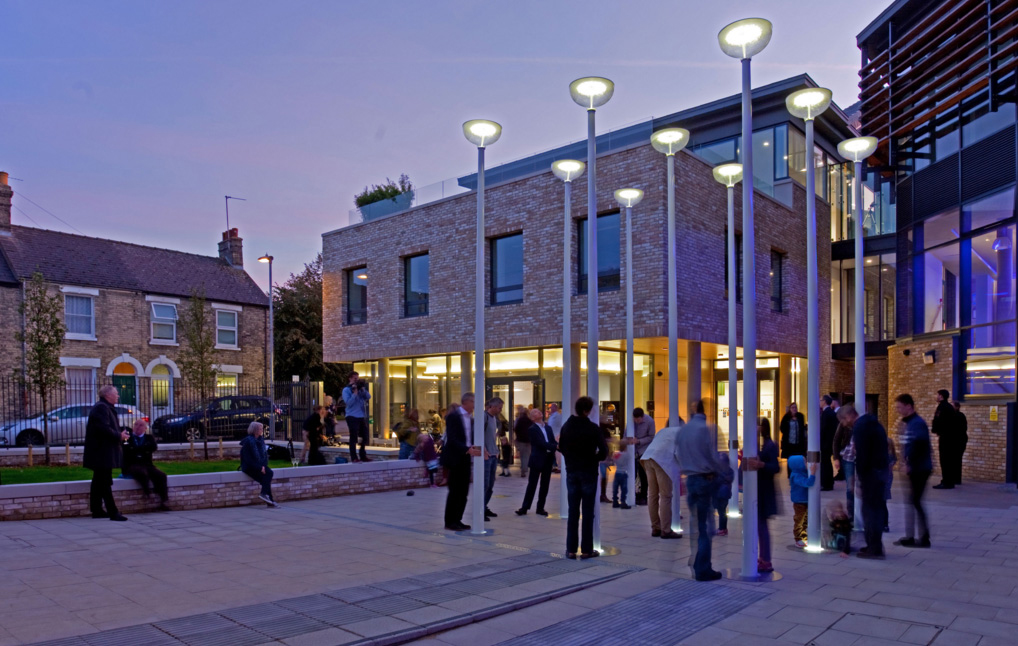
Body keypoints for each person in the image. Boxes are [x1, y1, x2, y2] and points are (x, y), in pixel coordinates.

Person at [677, 401, 727, 581]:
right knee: (706, 527)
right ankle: (703, 567)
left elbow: (677, 453)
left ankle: (699, 561)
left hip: (690, 479)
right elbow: (712, 456)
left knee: (697, 525)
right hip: (703, 479)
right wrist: (720, 471)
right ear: (705, 412)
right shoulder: (704, 429)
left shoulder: (684, 430)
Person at [558, 396, 609, 559]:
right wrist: (593, 458)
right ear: (587, 410)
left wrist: (572, 459)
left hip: (572, 471)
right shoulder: (593, 428)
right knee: (588, 511)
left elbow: (562, 448)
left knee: (573, 511)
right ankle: (587, 549)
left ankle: (571, 549)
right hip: (588, 472)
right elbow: (603, 451)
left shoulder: (567, 426)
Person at [84, 385, 130, 521]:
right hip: (102, 452)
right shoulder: (101, 408)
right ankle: (113, 512)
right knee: (104, 481)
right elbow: (103, 428)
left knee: (98, 481)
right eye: (116, 393)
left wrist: (119, 433)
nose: (118, 396)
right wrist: (119, 436)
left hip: (102, 452)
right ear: (107, 395)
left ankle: (97, 509)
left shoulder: (104, 407)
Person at [894, 394, 932, 548]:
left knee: (915, 501)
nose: (898, 410)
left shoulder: (917, 423)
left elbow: (920, 444)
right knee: (911, 501)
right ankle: (910, 536)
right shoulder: (906, 423)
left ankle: (924, 538)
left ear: (909, 406)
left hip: (920, 469)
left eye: (899, 407)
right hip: (912, 468)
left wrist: (909, 463)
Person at [744, 417, 781, 574]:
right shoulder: (760, 445)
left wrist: (761, 465)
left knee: (762, 525)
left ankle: (766, 559)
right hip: (759, 489)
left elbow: (776, 467)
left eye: (758, 425)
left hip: (765, 491)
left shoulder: (770, 446)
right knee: (759, 525)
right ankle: (763, 557)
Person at [442, 393, 482, 531]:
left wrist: (478, 450)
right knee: (454, 491)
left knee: (464, 491)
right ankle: (450, 521)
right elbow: (452, 439)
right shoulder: (454, 417)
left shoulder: (471, 418)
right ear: (466, 402)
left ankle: (458, 519)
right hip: (455, 458)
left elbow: (470, 438)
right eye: (474, 402)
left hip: (466, 457)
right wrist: (467, 449)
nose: (475, 406)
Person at [640, 420, 682, 539]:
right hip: (661, 461)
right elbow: (679, 454)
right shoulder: (681, 433)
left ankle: (656, 528)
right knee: (666, 496)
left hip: (647, 458)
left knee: (652, 495)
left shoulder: (663, 431)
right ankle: (666, 530)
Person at [516, 408, 557, 516]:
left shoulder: (548, 428)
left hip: (548, 459)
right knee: (532, 484)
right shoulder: (532, 429)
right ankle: (524, 507)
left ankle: (540, 508)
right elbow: (540, 443)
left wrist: (555, 446)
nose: (539, 412)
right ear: (533, 418)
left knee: (545, 485)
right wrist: (555, 446)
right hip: (537, 459)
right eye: (535, 412)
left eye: (539, 411)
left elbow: (552, 440)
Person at [122, 419, 169, 512]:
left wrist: (137, 449)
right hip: (132, 464)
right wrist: (142, 450)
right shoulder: (127, 438)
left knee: (161, 475)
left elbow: (153, 447)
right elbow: (126, 450)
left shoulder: (149, 438)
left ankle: (164, 500)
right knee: (142, 473)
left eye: (140, 425)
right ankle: (146, 493)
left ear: (145, 428)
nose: (138, 427)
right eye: (136, 424)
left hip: (146, 464)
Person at [240, 421, 276, 507]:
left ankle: (267, 497)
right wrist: (260, 468)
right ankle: (269, 500)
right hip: (250, 467)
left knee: (269, 474)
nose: (261, 430)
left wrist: (263, 466)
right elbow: (248, 460)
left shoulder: (260, 440)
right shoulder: (248, 442)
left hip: (260, 465)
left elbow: (264, 456)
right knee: (266, 478)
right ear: (255, 430)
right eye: (260, 429)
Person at [342, 372, 372, 462]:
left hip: (361, 416)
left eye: (357, 378)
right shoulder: (346, 390)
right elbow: (348, 403)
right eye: (355, 379)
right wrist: (354, 393)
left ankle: (363, 455)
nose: (356, 380)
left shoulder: (360, 389)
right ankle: (354, 457)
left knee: (365, 436)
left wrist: (362, 389)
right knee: (353, 437)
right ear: (350, 379)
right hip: (351, 416)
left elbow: (368, 397)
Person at [932, 389, 959, 489]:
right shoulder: (949, 407)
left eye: (938, 395)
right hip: (949, 437)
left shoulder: (943, 407)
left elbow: (940, 421)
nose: (937, 396)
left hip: (945, 437)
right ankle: (949, 481)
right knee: (948, 460)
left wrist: (936, 429)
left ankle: (946, 482)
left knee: (945, 460)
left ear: (941, 396)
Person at [788, 455, 817, 548]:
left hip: (804, 500)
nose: (807, 464)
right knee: (799, 520)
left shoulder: (802, 473)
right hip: (799, 501)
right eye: (805, 462)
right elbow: (808, 483)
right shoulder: (796, 476)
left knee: (805, 520)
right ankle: (798, 538)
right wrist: (812, 474)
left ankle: (803, 537)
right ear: (798, 465)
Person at [483, 398, 504, 520]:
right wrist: (484, 450)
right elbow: (478, 434)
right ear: (493, 406)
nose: (500, 410)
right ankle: (481, 508)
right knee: (485, 484)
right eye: (499, 408)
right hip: (486, 455)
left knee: (490, 485)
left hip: (493, 454)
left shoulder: (495, 419)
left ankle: (485, 506)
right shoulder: (484, 417)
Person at [833, 417, 855, 521]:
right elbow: (836, 440)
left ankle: (858, 512)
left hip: (860, 459)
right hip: (847, 458)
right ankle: (851, 513)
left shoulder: (863, 423)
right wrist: (836, 457)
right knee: (850, 487)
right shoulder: (844, 424)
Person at [632, 408, 655, 505]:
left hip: (644, 451)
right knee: (632, 474)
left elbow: (651, 437)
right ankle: (633, 495)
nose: (637, 422)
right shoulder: (631, 421)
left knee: (643, 475)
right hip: (633, 451)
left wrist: (639, 441)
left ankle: (643, 496)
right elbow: (626, 433)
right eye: (635, 419)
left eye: (638, 420)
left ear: (642, 417)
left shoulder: (649, 421)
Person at [779, 403, 807, 473]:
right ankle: (790, 475)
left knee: (798, 459)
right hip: (789, 443)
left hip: (798, 443)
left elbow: (802, 428)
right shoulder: (786, 417)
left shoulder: (800, 416)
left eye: (795, 408)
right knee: (790, 459)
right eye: (793, 408)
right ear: (790, 409)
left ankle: (798, 474)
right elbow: (782, 428)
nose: (794, 409)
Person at [819, 395, 839, 490]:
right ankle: (829, 482)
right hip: (829, 442)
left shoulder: (826, 413)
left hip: (825, 443)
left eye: (821, 400)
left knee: (825, 463)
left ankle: (826, 483)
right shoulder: (831, 413)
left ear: (825, 402)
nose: (820, 402)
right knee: (827, 462)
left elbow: (823, 429)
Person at [714, 452, 734, 537]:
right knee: (722, 512)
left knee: (721, 512)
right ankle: (723, 528)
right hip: (725, 494)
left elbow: (716, 481)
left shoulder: (718, 472)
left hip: (720, 494)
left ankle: (722, 529)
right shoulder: (730, 471)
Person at [951, 400, 968, 485]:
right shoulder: (958, 416)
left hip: (959, 441)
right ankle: (956, 478)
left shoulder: (959, 416)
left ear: (957, 407)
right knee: (956, 460)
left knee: (956, 460)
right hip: (959, 440)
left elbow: (961, 429)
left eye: (952, 406)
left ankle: (956, 479)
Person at [513, 406, 532, 478]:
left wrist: (518, 437)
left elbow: (516, 429)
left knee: (522, 455)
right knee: (526, 455)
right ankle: (525, 468)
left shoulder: (519, 420)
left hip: (521, 440)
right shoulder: (529, 421)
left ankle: (523, 469)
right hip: (528, 441)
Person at [497, 412, 513, 476]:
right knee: (504, 456)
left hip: (501, 437)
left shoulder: (500, 422)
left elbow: (500, 430)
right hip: (503, 437)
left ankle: (505, 471)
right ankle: (505, 471)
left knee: (504, 456)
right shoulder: (504, 421)